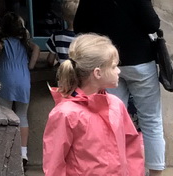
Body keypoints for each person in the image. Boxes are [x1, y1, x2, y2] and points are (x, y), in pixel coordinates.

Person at [73, 0, 165, 175]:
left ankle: (119, 169)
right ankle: (154, 171)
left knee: (113, 121)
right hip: (140, 60)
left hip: (105, 65)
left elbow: (80, 27)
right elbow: (152, 23)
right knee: (151, 120)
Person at [43, 33, 145, 176]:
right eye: (114, 66)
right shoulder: (65, 113)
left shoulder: (116, 104)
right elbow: (54, 165)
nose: (119, 71)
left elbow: (131, 147)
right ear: (98, 73)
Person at [0, 11, 40, 168]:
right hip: (23, 79)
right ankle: (23, 153)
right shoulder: (25, 44)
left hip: (6, 80)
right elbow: (36, 49)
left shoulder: (2, 42)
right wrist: (31, 65)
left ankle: (6, 152)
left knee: (5, 115)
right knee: (22, 116)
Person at [47, 0, 80, 67]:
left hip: (63, 75)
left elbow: (50, 60)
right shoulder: (84, 37)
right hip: (79, 75)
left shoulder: (56, 36)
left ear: (63, 17)